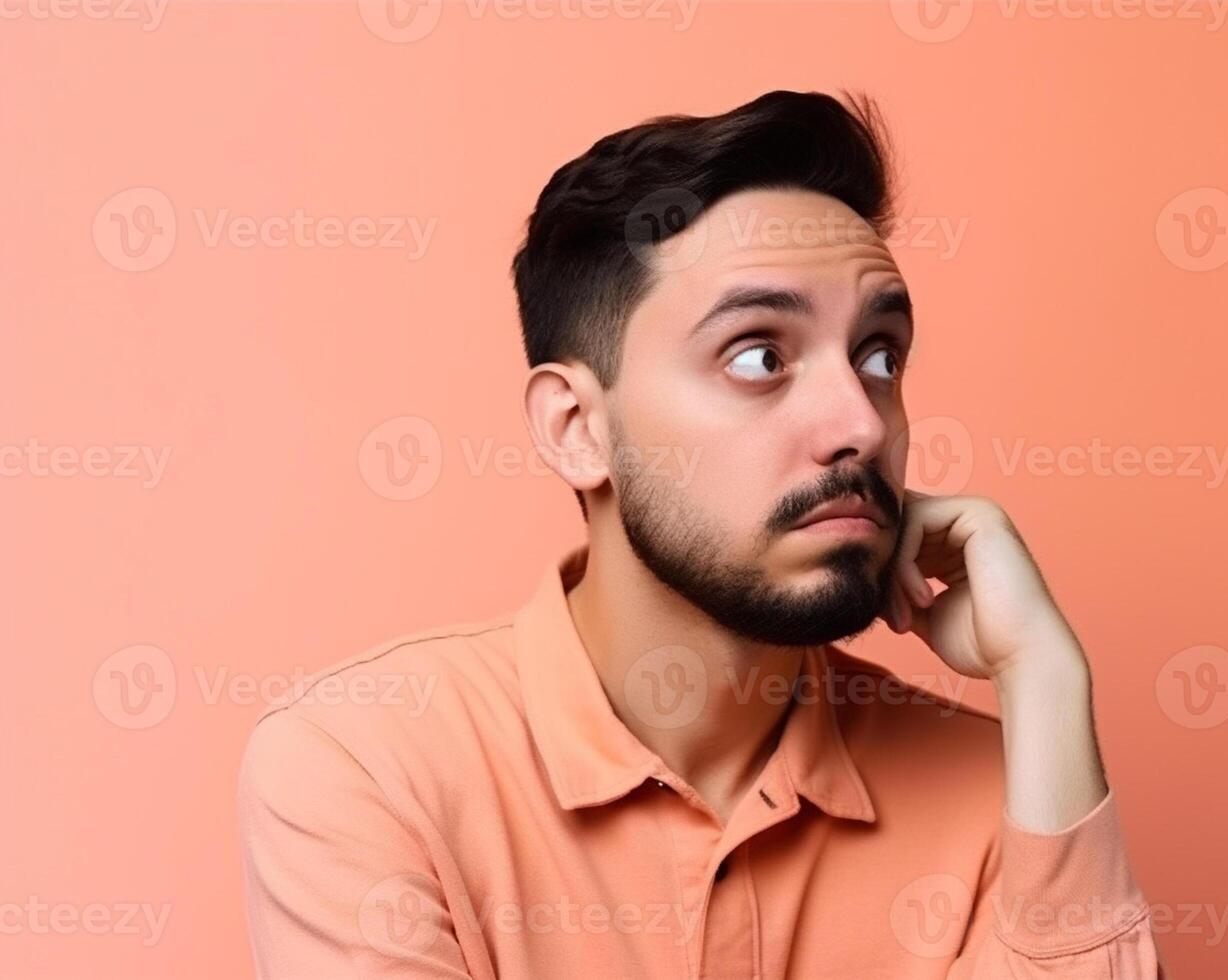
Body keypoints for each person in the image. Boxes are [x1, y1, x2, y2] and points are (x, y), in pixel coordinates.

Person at [237, 89, 1164, 979]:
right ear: (577, 428)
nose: (863, 423)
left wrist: (1044, 677)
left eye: (879, 356)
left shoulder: (1010, 793)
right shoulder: (370, 765)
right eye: (760, 355)